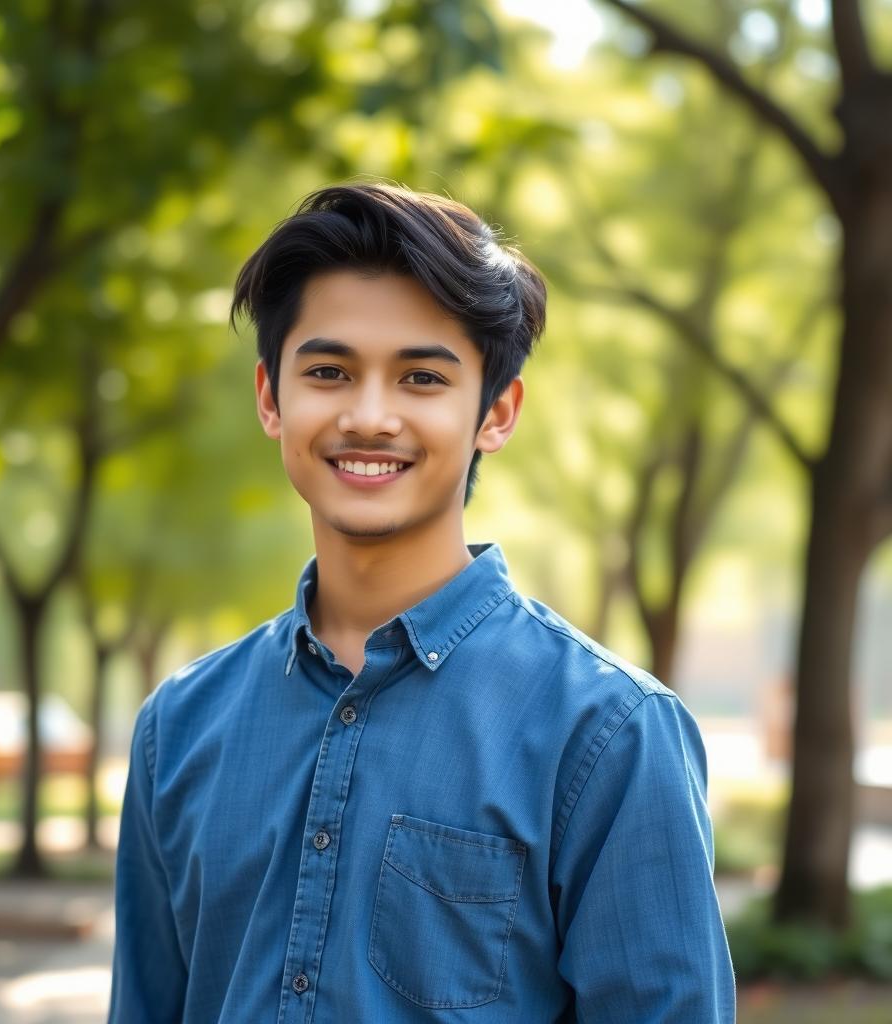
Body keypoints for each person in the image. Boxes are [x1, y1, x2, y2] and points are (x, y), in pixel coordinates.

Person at [107, 183, 736, 1022]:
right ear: (270, 397)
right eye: (328, 372)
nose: (370, 417)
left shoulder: (610, 734)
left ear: (495, 412)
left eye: (421, 378)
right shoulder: (178, 729)